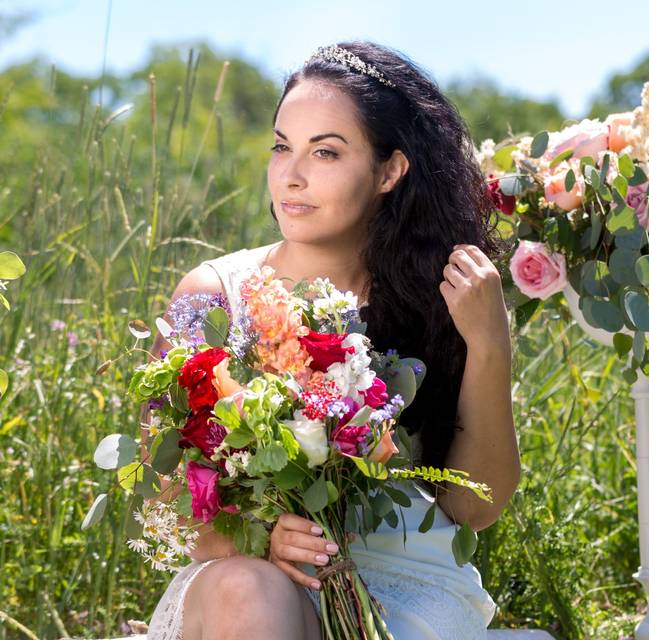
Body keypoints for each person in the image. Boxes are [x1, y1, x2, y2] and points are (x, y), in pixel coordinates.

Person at [143, 40, 520, 640]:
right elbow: (165, 497)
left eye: (326, 151)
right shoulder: (211, 298)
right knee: (247, 588)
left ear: (390, 170)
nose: (291, 176)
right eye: (281, 146)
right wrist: (260, 537)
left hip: (401, 583)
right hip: (243, 580)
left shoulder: (440, 298)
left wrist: (489, 347)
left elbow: (473, 507)